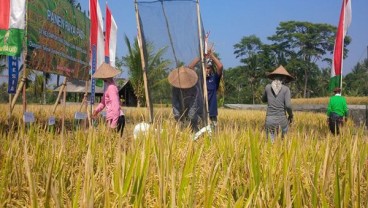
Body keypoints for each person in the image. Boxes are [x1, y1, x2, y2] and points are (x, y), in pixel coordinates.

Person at [168, 60, 203, 133]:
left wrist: (191, 117)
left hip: (194, 112)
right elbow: (175, 103)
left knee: (193, 122)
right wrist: (177, 116)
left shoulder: (195, 88)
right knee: (180, 127)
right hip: (181, 109)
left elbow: (194, 104)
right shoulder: (175, 88)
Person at [262, 65, 294, 142]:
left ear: (274, 77)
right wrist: (291, 115)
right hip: (282, 119)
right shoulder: (286, 89)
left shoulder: (267, 87)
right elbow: (288, 106)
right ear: (283, 78)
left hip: (270, 119)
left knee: (270, 143)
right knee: (283, 143)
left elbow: (263, 100)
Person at [92, 63, 125, 136]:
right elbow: (103, 103)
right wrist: (96, 110)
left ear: (104, 78)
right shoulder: (108, 88)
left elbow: (116, 107)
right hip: (113, 118)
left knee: (111, 143)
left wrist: (113, 124)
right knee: (110, 143)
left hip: (116, 118)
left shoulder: (111, 88)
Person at [205, 50, 223, 128]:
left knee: (213, 135)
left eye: (208, 68)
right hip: (201, 113)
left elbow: (220, 66)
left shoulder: (214, 79)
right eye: (205, 68)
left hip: (212, 113)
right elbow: (190, 67)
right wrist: (200, 56)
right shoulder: (199, 79)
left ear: (211, 69)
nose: (207, 70)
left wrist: (211, 55)